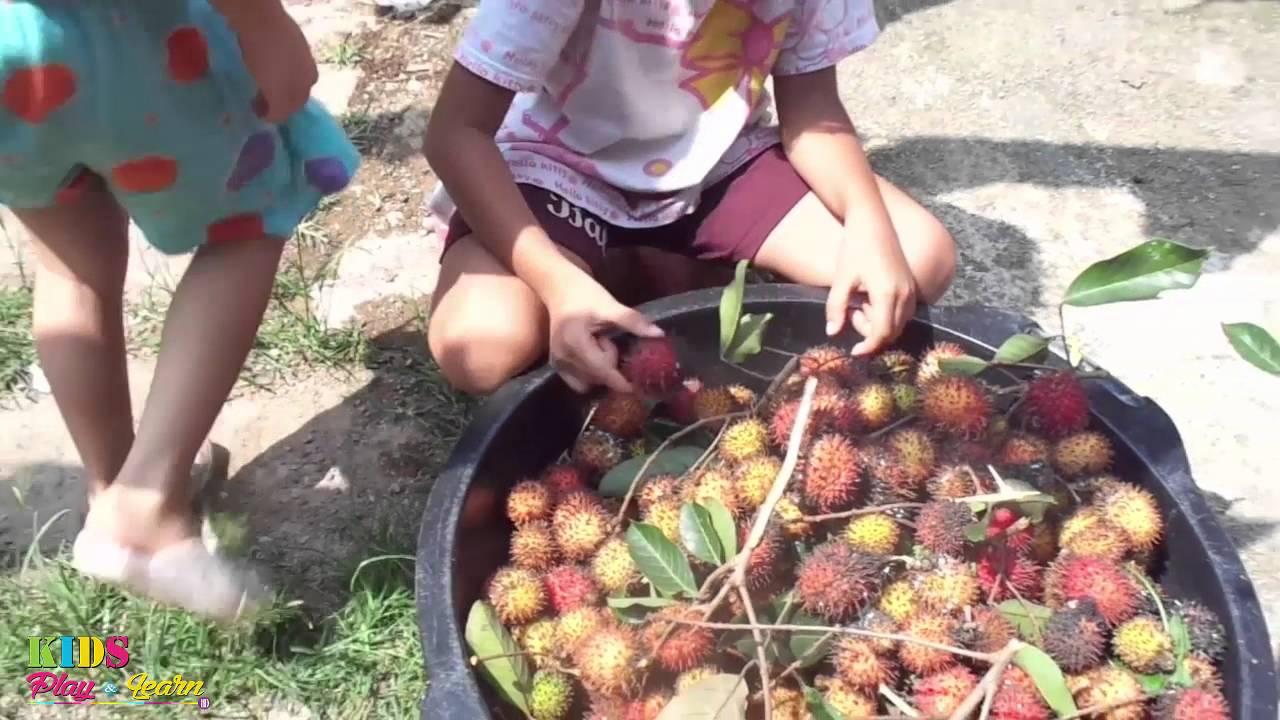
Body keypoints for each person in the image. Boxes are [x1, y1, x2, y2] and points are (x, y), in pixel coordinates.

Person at [1, 0, 359, 619]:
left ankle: (115, 484)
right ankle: (147, 508)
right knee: (246, 227)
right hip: (126, 35)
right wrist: (261, 23)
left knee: (70, 263)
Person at [423, 0, 956, 397]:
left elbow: (813, 113)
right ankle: (611, 279)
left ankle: (644, 277)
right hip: (559, 169)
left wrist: (867, 221)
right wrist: (556, 284)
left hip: (715, 166)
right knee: (482, 347)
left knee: (916, 261)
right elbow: (456, 133)